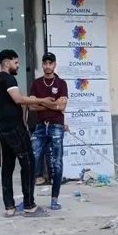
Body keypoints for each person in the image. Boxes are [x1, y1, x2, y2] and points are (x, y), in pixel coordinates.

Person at [0, 49, 56, 217]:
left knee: (8, 165)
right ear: (6, 63)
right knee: (29, 162)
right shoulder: (8, 78)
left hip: (2, 128)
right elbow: (18, 99)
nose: (18, 65)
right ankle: (29, 205)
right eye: (16, 62)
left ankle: (9, 206)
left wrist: (34, 102)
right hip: (14, 128)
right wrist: (42, 100)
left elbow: (12, 100)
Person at [28, 52, 69, 210]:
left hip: (56, 125)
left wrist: (42, 103)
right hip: (40, 126)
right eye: (45, 63)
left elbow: (62, 106)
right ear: (42, 64)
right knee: (32, 161)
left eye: (50, 63)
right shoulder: (37, 83)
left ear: (55, 64)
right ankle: (29, 200)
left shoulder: (61, 83)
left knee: (56, 163)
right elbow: (31, 106)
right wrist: (51, 104)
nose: (47, 66)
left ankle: (54, 199)